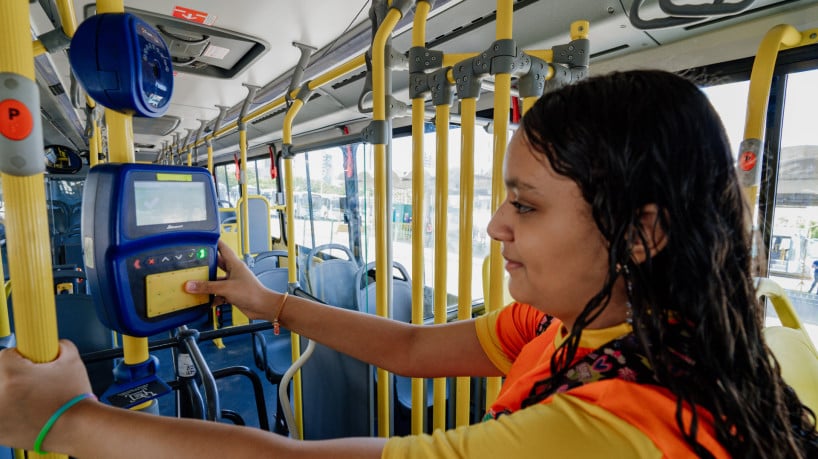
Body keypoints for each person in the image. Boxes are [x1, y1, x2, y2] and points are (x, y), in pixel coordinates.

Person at [1, 70, 816, 458]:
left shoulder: (616, 431)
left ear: (641, 234)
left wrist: (66, 416)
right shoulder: (598, 324)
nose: (495, 224)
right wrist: (269, 303)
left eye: (525, 205)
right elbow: (417, 348)